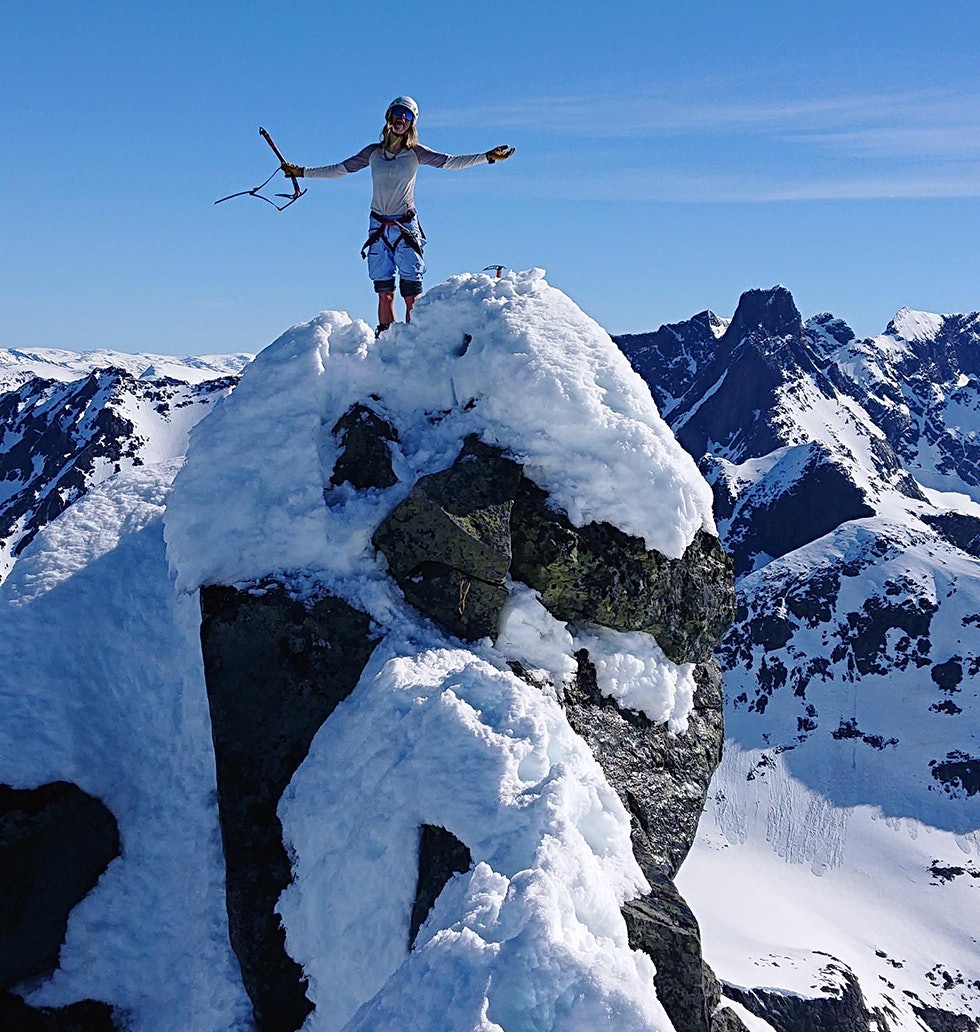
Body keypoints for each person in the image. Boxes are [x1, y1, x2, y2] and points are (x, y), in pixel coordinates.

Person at [280, 96, 515, 335]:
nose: (402, 118)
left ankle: (414, 342)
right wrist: (301, 172)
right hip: (378, 227)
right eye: (398, 112)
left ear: (412, 123)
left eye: (408, 115)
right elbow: (340, 169)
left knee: (412, 294)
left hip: (405, 227)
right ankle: (385, 339)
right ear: (389, 116)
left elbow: (450, 162)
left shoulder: (416, 153)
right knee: (385, 293)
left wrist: (487, 157)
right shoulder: (373, 153)